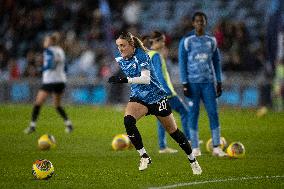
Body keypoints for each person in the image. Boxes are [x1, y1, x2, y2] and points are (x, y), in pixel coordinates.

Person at [108, 31, 202, 174]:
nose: (120, 49)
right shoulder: (121, 58)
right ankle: (144, 156)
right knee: (128, 121)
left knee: (174, 132)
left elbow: (145, 78)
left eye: (123, 45)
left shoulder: (142, 55)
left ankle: (192, 160)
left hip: (157, 98)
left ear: (131, 44)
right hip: (139, 98)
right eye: (118, 46)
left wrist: (123, 80)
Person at [178, 12, 227, 157]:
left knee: (213, 113)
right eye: (197, 21)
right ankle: (195, 148)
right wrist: (184, 83)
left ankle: (217, 147)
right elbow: (182, 63)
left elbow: (216, 62)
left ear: (205, 23)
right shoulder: (187, 41)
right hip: (193, 84)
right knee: (193, 114)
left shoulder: (211, 41)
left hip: (208, 84)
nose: (200, 23)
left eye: (202, 21)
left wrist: (218, 81)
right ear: (193, 23)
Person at [147, 31, 191, 154]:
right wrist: (165, 91)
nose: (164, 43)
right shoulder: (155, 55)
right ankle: (188, 139)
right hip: (165, 93)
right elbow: (159, 76)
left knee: (162, 119)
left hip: (154, 93)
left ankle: (162, 147)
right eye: (162, 41)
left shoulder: (149, 54)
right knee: (185, 112)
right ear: (156, 41)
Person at [24, 32, 73, 134]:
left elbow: (51, 65)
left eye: (46, 40)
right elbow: (65, 67)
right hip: (61, 81)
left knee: (38, 103)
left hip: (50, 81)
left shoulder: (48, 51)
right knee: (57, 105)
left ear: (51, 42)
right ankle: (68, 124)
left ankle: (32, 126)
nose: (44, 42)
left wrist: (39, 69)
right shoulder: (60, 50)